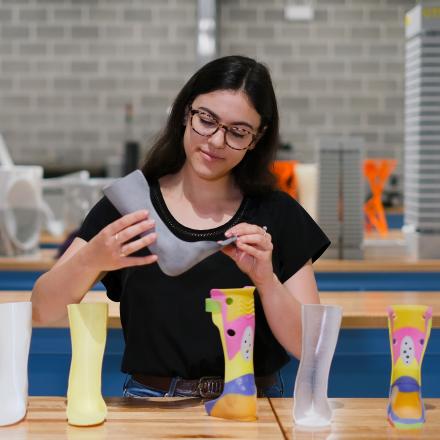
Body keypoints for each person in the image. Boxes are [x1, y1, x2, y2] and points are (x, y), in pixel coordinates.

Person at [32, 55, 330, 399]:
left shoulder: (277, 213)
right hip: (151, 406)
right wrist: (92, 259)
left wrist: (266, 281)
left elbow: (312, 348)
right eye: (207, 120)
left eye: (238, 132)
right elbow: (41, 310)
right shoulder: (130, 205)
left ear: (257, 138)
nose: (217, 141)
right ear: (186, 112)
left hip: (255, 407)